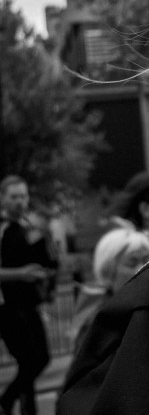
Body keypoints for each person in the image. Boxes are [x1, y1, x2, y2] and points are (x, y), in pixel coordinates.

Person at [0, 176, 55, 415]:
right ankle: (17, 404)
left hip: (30, 303)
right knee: (28, 360)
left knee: (40, 358)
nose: (20, 201)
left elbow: (44, 261)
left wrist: (42, 272)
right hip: (7, 306)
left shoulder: (29, 228)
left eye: (24, 196)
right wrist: (21, 274)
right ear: (2, 198)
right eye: (14, 196)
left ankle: (9, 401)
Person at [69, 229, 149, 352]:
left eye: (148, 260)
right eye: (132, 263)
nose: (143, 268)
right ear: (108, 271)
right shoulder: (99, 320)